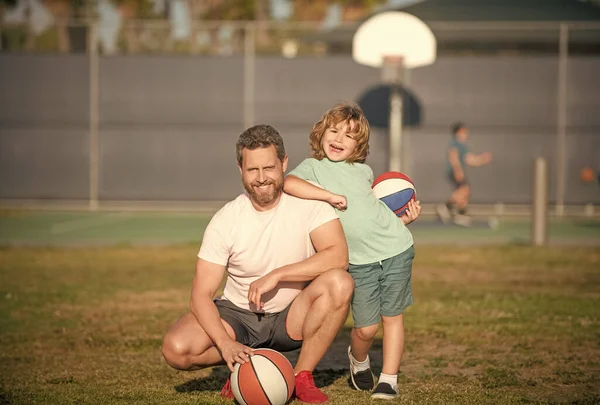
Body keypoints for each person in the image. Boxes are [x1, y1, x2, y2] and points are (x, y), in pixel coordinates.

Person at [161, 124, 353, 404]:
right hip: (238, 316)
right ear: (240, 169)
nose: (262, 178)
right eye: (252, 170)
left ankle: (301, 376)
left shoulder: (310, 204)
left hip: (292, 316)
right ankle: (243, 367)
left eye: (269, 168)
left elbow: (338, 257)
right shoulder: (226, 219)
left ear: (284, 163)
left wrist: (278, 275)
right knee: (176, 349)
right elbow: (200, 295)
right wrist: (225, 344)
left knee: (340, 282)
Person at [283, 103, 421, 400]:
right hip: (358, 263)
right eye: (334, 131)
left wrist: (401, 221)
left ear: (359, 145)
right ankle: (359, 359)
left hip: (397, 247)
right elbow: (288, 183)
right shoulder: (312, 169)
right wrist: (328, 196)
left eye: (349, 136)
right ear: (321, 133)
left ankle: (389, 378)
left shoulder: (364, 171)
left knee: (393, 317)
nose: (339, 139)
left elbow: (369, 213)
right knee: (366, 330)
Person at [436, 122, 492, 227]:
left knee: (465, 192)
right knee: (464, 190)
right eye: (464, 131)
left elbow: (470, 159)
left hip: (457, 170)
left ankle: (460, 215)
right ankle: (445, 207)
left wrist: (482, 159)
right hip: (454, 171)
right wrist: (458, 170)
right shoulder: (455, 143)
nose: (466, 134)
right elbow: (453, 156)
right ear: (458, 132)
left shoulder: (463, 146)